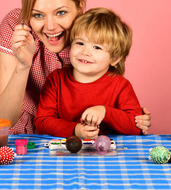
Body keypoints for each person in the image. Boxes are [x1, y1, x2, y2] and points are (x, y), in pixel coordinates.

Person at [0, 0, 151, 134]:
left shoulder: (89, 33)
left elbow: (110, 93)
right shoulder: (16, 28)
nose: (50, 26)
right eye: (38, 15)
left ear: (79, 7)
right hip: (28, 134)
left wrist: (128, 116)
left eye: (61, 12)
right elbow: (4, 120)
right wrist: (23, 65)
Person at [34, 8, 143, 138]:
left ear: (114, 58)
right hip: (66, 152)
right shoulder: (56, 79)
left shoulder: (120, 85)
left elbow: (136, 127)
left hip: (108, 154)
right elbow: (42, 122)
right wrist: (76, 130)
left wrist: (105, 112)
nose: (85, 52)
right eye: (80, 43)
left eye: (97, 47)